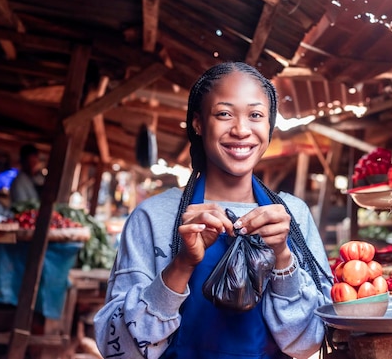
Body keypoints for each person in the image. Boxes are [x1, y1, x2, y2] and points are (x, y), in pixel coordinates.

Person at [94, 62, 333, 359]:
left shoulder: (292, 217)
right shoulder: (153, 218)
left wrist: (283, 258)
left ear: (269, 125)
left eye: (256, 115)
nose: (241, 130)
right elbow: (115, 348)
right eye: (224, 113)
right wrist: (181, 264)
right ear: (198, 123)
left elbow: (307, 343)